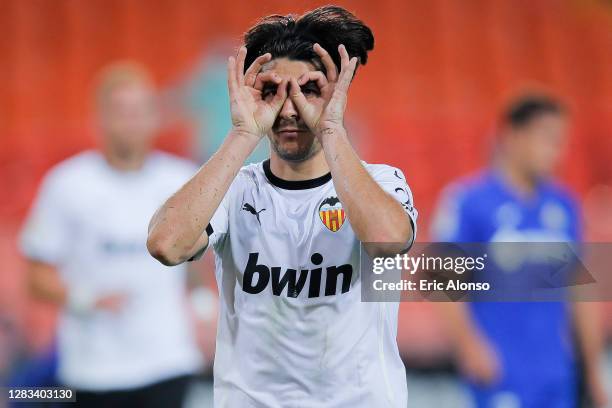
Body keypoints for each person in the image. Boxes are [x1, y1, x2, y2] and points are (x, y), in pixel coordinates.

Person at [147, 6, 418, 407]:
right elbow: (167, 244)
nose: (290, 109)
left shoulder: (382, 182)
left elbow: (386, 241)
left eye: (309, 90)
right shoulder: (236, 191)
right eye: (272, 91)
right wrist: (242, 133)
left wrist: (330, 128)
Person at [20, 62, 204, 407]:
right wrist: (86, 299)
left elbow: (194, 261)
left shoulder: (181, 180)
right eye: (120, 111)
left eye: (140, 111)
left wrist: (204, 308)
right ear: (100, 118)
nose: (131, 122)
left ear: (155, 116)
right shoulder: (67, 184)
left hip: (168, 361)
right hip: (94, 369)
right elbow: (36, 276)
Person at [431, 95, 608, 407]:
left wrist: (593, 371)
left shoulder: (564, 206)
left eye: (561, 141)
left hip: (557, 373)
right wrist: (469, 346)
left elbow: (580, 293)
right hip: (499, 370)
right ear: (513, 136)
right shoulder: (469, 201)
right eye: (548, 138)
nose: (558, 151)